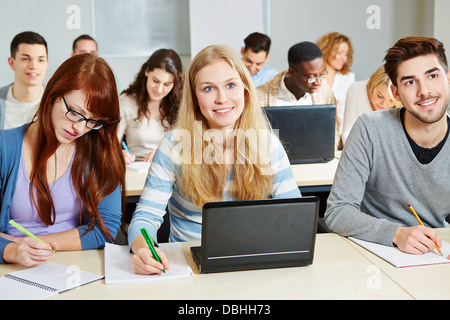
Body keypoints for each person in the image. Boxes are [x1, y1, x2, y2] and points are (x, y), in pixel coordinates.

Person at [128, 44, 301, 275]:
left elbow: (295, 217)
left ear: (245, 90)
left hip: (253, 264)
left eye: (231, 85)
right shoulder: (174, 145)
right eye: (208, 89)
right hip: (188, 266)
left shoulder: (268, 144)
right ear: (195, 98)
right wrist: (143, 248)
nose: (222, 98)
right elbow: (145, 217)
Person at [325, 36, 450, 256]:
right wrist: (396, 233)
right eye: (410, 82)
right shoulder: (369, 129)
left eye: (432, 76)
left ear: (448, 79)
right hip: (374, 255)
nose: (425, 91)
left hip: (435, 254)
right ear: (396, 93)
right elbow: (338, 211)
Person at [0, 53, 125, 266]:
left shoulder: (99, 150)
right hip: (13, 269)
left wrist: (32, 244)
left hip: (76, 268)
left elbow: (106, 227)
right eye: (75, 113)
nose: (80, 128)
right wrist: (11, 250)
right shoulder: (6, 148)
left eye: (93, 121)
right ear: (53, 94)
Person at [256, 41, 339, 148]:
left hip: (315, 159)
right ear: (292, 73)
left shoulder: (325, 92)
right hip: (275, 161)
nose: (318, 82)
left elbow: (333, 138)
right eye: (311, 77)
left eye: (321, 75)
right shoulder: (259, 96)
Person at [117, 49, 184, 164]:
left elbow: (188, 150)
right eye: (155, 81)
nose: (159, 89)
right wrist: (118, 154)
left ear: (175, 83)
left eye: (167, 84)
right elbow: (110, 145)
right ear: (147, 71)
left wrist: (165, 155)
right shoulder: (127, 101)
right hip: (136, 168)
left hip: (169, 169)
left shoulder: (180, 105)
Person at [0, 31, 49, 130]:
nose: (34, 66)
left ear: (46, 64)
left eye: (40, 60)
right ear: (12, 63)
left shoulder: (56, 103)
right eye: (26, 59)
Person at [341, 65, 398, 145]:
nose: (384, 105)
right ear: (372, 84)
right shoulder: (356, 90)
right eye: (379, 96)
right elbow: (347, 134)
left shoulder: (400, 103)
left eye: (391, 100)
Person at [316, 32, 355, 126]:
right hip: (316, 123)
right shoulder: (314, 76)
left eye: (346, 54)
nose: (343, 58)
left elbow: (348, 108)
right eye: (339, 52)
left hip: (340, 127)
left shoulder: (348, 77)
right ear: (327, 50)